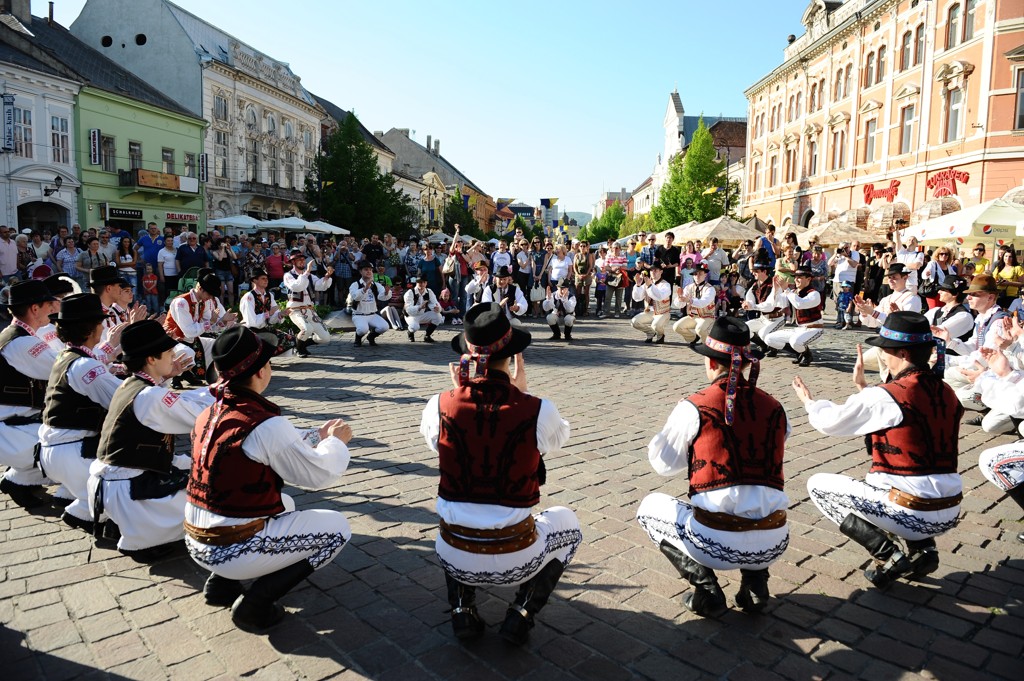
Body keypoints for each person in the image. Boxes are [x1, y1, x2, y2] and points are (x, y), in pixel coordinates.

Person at [419, 303, 581, 644]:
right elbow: (556, 440)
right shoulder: (537, 408)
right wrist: (519, 394)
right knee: (568, 523)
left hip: (454, 551)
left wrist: (457, 396)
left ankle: (462, 607)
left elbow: (440, 446)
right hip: (516, 554)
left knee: (460, 516)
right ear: (512, 358)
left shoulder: (438, 404)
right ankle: (521, 613)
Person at [185, 327, 353, 631]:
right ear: (262, 371)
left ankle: (221, 584)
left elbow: (273, 442)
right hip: (229, 548)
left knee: (283, 503)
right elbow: (318, 475)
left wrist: (318, 434)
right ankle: (255, 604)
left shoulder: (212, 409)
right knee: (337, 530)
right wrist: (335, 443)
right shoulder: (264, 424)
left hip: (196, 540)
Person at [794, 312, 962, 589]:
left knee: (819, 486)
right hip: (950, 507)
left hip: (913, 512)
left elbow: (830, 422)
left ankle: (889, 554)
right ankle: (923, 549)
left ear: (903, 353)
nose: (882, 356)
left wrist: (810, 402)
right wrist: (864, 388)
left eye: (885, 350)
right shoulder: (946, 391)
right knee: (882, 478)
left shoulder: (887, 395)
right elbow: (902, 419)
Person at [637, 317, 789, 616]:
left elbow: (663, 465)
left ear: (710, 363)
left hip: (716, 540)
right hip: (775, 538)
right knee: (756, 499)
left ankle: (707, 590)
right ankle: (757, 580)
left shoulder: (694, 406)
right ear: (746, 364)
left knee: (649, 506)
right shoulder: (775, 406)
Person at [89, 320, 214, 561]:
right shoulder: (150, 396)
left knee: (188, 466)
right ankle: (140, 539)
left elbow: (167, 400)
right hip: (127, 487)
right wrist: (227, 392)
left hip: (113, 482)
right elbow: (195, 415)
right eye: (168, 353)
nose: (173, 357)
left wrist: (170, 376)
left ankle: (130, 526)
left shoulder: (133, 383)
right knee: (213, 502)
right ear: (152, 359)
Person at [39, 293, 125, 532]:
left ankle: (79, 505)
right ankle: (87, 506)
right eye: (100, 323)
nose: (103, 327)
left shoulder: (68, 355)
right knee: (128, 500)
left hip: (58, 449)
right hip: (72, 451)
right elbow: (122, 401)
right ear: (90, 329)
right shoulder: (84, 365)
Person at [0, 280, 61, 508]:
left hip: (16, 424)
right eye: (48, 304)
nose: (53, 308)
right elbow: (65, 370)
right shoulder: (22, 342)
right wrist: (107, 352)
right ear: (34, 309)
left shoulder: (15, 335)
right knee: (76, 447)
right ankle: (18, 477)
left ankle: (17, 479)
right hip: (12, 428)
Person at [765, 267, 823, 367]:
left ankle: (807, 354)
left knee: (795, 341)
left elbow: (799, 304)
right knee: (769, 338)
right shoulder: (793, 292)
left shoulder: (814, 293)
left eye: (800, 277)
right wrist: (776, 288)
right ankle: (800, 351)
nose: (796, 279)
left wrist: (787, 290)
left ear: (808, 279)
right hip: (799, 329)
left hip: (814, 329)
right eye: (795, 277)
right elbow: (775, 303)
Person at [283, 249, 334, 356]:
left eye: (303, 259)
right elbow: (297, 287)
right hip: (296, 310)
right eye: (299, 260)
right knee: (307, 329)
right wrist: (307, 272)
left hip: (309, 310)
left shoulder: (310, 275)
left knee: (325, 338)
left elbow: (320, 286)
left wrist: (327, 276)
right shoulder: (288, 275)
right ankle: (298, 348)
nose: (302, 261)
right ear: (293, 262)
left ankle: (301, 343)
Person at [240, 268, 295, 357]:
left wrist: (281, 314)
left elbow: (272, 319)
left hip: (264, 328)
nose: (266, 280)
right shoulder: (249, 297)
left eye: (267, 278)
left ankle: (265, 357)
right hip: (251, 331)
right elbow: (251, 321)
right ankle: (261, 358)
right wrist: (268, 314)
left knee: (290, 339)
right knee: (270, 339)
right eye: (263, 278)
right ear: (255, 280)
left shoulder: (269, 296)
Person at [741, 261, 785, 353]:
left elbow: (769, 306)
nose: (753, 273)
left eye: (756, 271)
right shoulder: (755, 285)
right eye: (753, 271)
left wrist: (752, 306)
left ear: (764, 271)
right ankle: (764, 345)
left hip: (776, 319)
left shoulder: (774, 285)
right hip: (764, 318)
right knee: (744, 329)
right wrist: (747, 304)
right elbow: (750, 298)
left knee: (763, 334)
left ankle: (801, 352)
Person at [673, 263, 716, 348]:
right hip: (693, 316)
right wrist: (680, 299)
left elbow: (703, 302)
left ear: (705, 274)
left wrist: (689, 300)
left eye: (700, 273)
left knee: (700, 329)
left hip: (706, 317)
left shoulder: (710, 289)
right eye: (695, 274)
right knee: (677, 327)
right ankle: (693, 338)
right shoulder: (689, 287)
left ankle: (708, 345)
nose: (697, 276)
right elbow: (680, 305)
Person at [347, 262, 389, 347]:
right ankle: (357, 339)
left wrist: (386, 292)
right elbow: (355, 297)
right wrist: (365, 288)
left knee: (384, 327)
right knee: (363, 330)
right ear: (360, 271)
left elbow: (382, 297)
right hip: (359, 315)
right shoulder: (355, 285)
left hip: (372, 314)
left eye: (370, 270)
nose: (369, 271)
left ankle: (371, 337)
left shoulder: (376, 285)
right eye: (366, 270)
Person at [631, 264, 672, 343]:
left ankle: (660, 335)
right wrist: (638, 285)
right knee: (634, 321)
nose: (653, 272)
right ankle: (650, 333)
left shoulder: (666, 284)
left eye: (656, 270)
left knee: (655, 325)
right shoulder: (646, 283)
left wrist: (650, 285)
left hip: (662, 313)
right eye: (651, 270)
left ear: (661, 271)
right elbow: (637, 298)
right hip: (649, 312)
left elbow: (659, 296)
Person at [403, 277, 443, 342]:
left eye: (423, 282)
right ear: (416, 283)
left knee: (438, 316)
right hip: (411, 316)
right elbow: (408, 310)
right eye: (419, 282)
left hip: (422, 314)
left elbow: (435, 303)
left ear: (426, 283)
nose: (421, 284)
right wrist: (419, 307)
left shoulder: (429, 291)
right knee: (415, 327)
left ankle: (427, 335)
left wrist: (437, 308)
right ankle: (410, 333)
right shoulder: (410, 292)